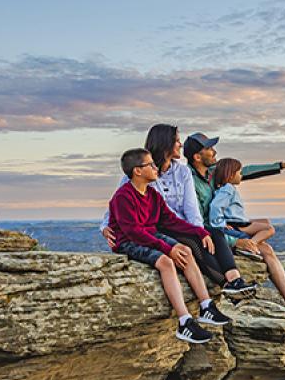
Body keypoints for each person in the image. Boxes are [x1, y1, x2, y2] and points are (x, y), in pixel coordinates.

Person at [183, 132, 285, 321]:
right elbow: (200, 223)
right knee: (263, 246)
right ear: (197, 156)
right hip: (215, 237)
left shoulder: (212, 171)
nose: (214, 151)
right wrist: (235, 240)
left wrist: (281, 166)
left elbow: (245, 171)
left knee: (266, 249)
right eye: (209, 148)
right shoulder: (188, 181)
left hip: (227, 229)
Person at [101, 125, 255, 298]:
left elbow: (191, 209)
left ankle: (235, 280)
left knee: (214, 235)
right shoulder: (141, 173)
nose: (180, 145)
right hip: (159, 228)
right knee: (194, 244)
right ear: (165, 144)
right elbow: (117, 205)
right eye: (176, 141)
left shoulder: (182, 172)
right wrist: (105, 226)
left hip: (179, 225)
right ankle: (225, 284)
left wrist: (201, 232)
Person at [108, 147, 231, 343]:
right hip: (128, 241)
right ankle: (184, 322)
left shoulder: (153, 195)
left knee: (185, 250)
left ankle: (206, 306)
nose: (156, 168)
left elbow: (171, 221)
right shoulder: (123, 197)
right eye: (150, 165)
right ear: (137, 171)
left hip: (149, 234)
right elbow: (132, 232)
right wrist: (167, 249)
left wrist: (200, 232)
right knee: (166, 262)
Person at [209, 158, 276, 253]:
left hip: (237, 221)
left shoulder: (226, 188)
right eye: (239, 173)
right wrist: (221, 224)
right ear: (231, 176)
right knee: (269, 229)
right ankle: (250, 244)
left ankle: (253, 242)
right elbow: (215, 206)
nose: (241, 175)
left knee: (265, 221)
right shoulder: (228, 188)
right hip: (235, 224)